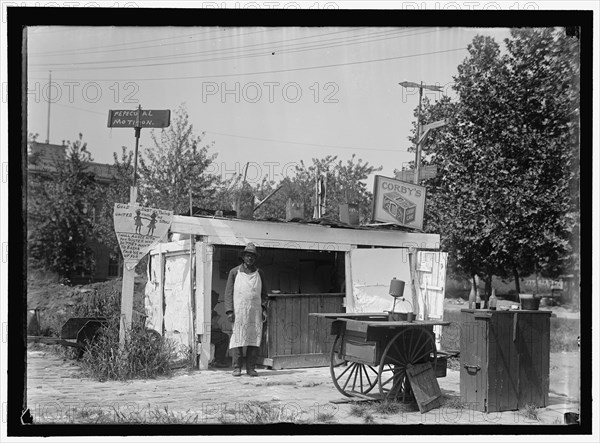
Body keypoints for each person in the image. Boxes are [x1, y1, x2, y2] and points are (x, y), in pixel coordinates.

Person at [224, 243, 268, 377]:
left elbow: (264, 294)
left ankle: (251, 368)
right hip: (239, 311)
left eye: (252, 257)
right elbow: (228, 293)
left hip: (255, 312)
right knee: (238, 337)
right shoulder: (234, 272)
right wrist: (229, 311)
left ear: (255, 259)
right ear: (243, 257)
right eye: (248, 256)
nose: (250, 259)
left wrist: (264, 309)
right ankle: (237, 367)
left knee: (253, 339)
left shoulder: (259, 273)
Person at [210, 290, 230, 368]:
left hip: (207, 332)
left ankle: (217, 360)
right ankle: (219, 361)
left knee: (221, 335)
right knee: (224, 337)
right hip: (205, 334)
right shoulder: (208, 310)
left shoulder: (211, 310)